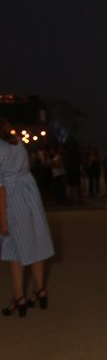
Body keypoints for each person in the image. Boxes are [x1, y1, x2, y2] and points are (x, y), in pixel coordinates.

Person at [0, 118, 54, 316]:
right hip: (30, 193)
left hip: (13, 198)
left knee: (14, 247)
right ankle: (40, 291)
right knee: (34, 242)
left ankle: (20, 297)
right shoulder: (17, 143)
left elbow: (0, 188)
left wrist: (2, 218)